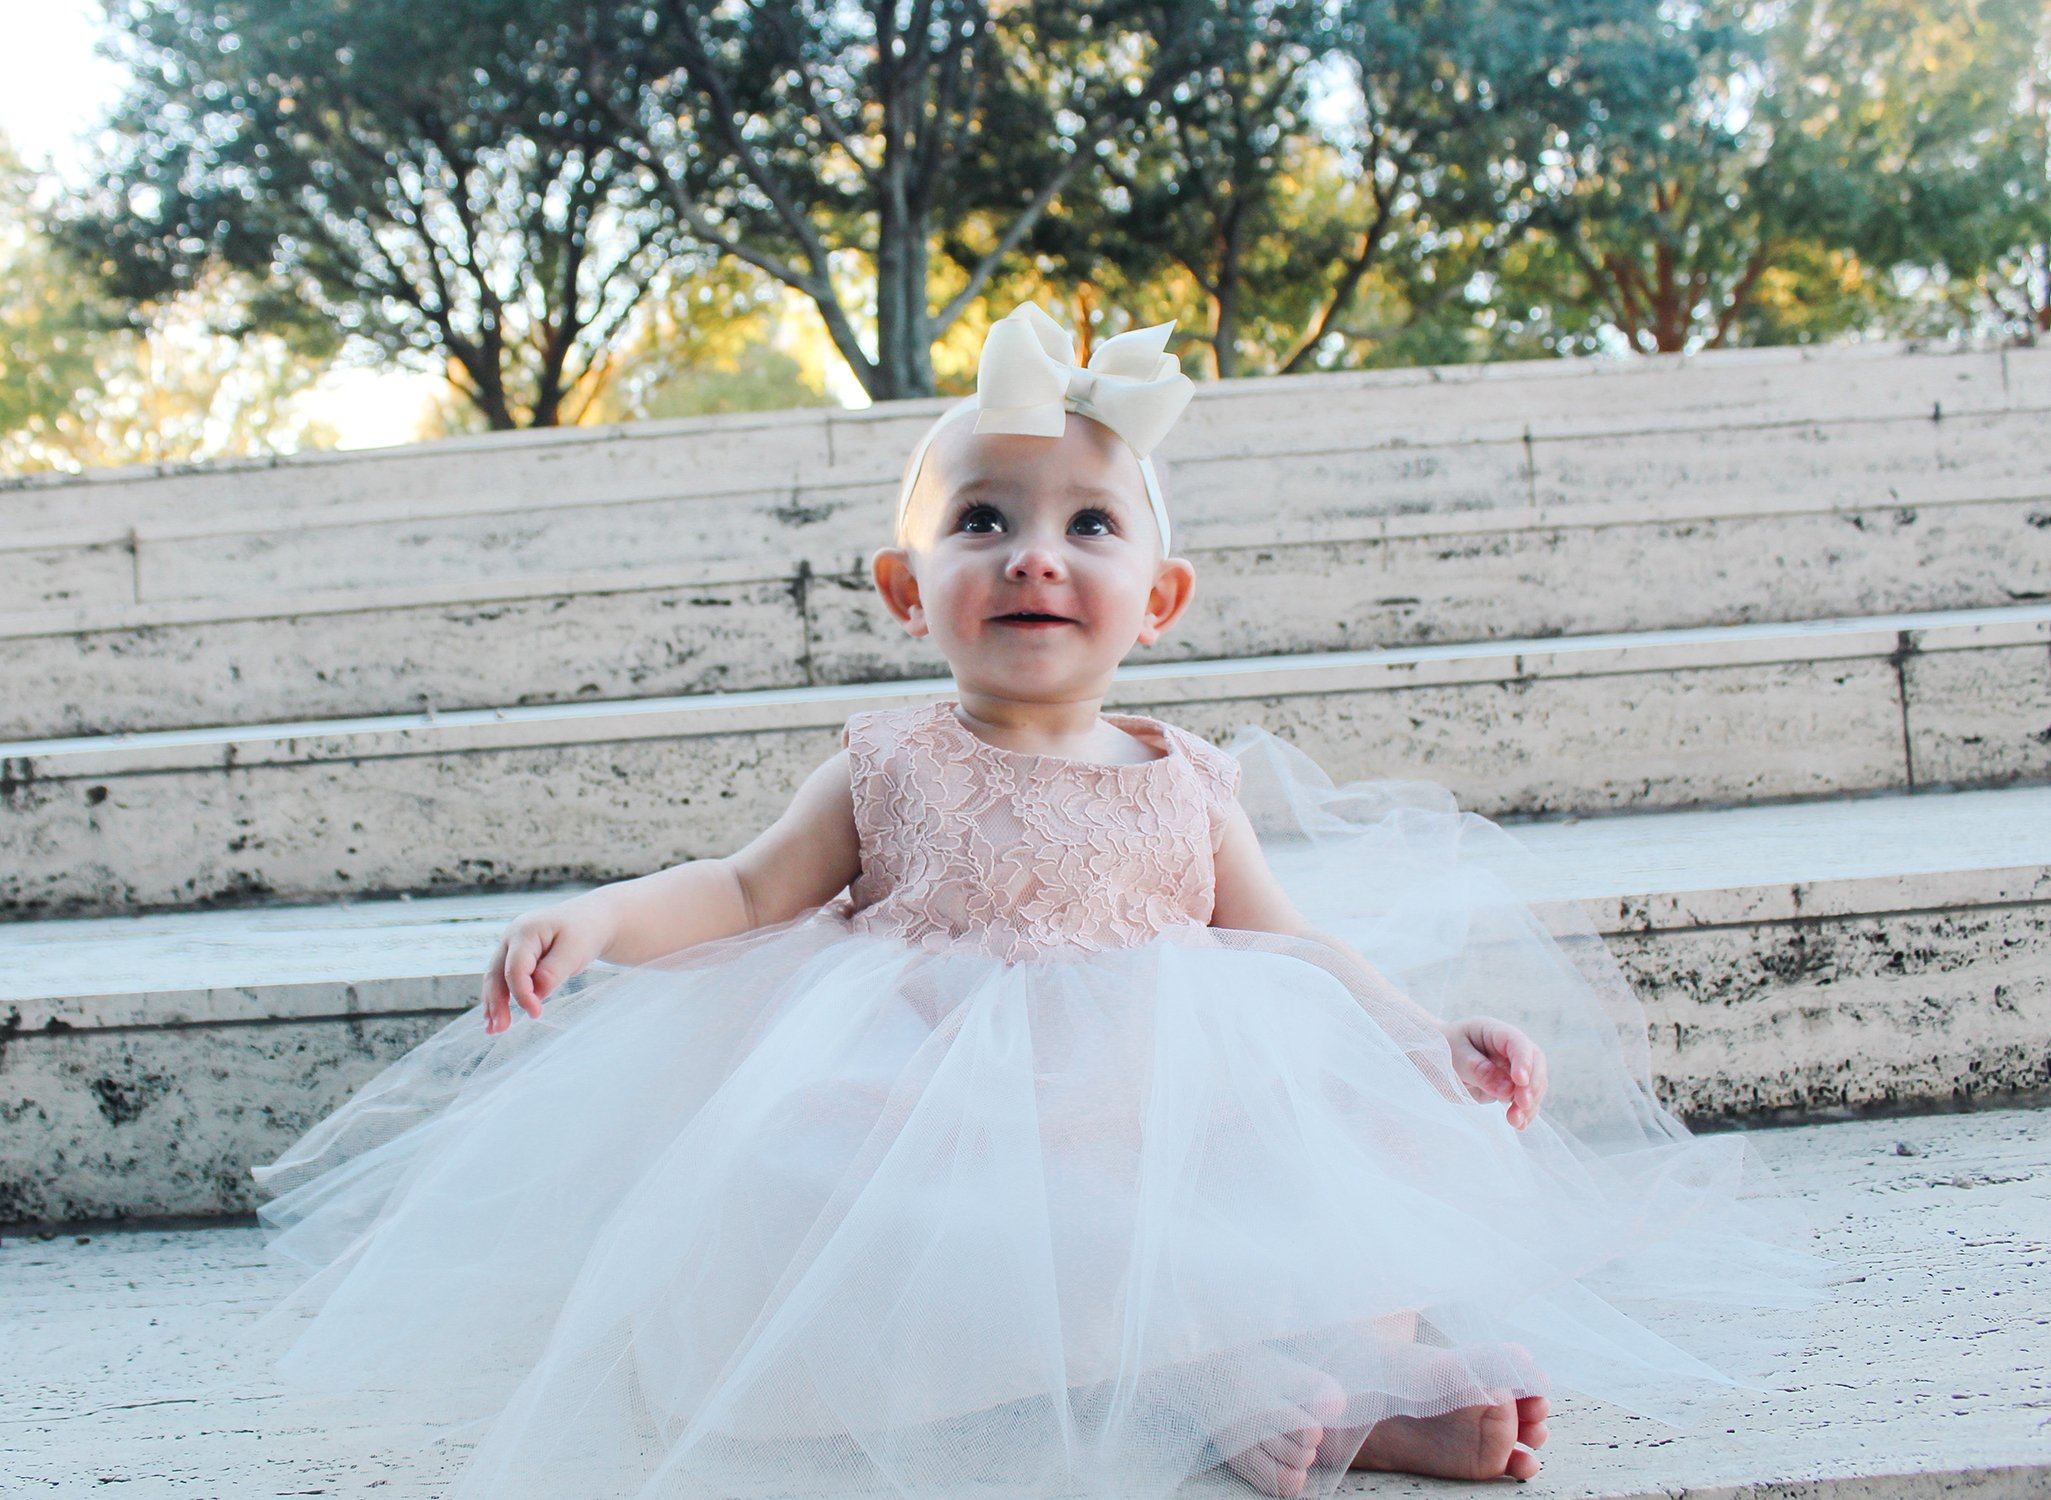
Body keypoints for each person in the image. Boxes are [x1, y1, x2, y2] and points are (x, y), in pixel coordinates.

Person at [244, 302, 1837, 1500]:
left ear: (1158, 598)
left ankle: (1365, 1384)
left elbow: (1283, 942)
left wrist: (1425, 1035)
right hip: (948, 1109)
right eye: (981, 524)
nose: (1033, 557)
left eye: (1089, 524)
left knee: (1335, 1153)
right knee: (829, 1195)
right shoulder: (886, 763)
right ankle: (1226, 1390)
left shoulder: (1186, 775)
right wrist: (599, 919)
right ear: (903, 586)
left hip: (1166, 1095)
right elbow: (740, 889)